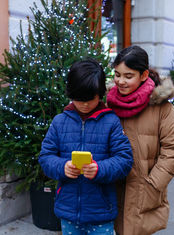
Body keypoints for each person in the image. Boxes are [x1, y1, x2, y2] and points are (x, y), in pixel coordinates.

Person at [39, 59, 133, 235]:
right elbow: (45, 157)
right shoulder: (60, 122)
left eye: (90, 99)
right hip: (68, 211)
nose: (84, 104)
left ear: (100, 93)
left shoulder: (111, 122)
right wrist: (62, 167)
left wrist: (100, 169)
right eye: (78, 99)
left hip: (101, 212)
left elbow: (125, 160)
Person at [106, 45, 174, 235]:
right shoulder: (108, 102)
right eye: (117, 74)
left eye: (128, 76)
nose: (120, 81)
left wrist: (154, 183)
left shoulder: (162, 107)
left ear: (143, 75)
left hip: (143, 190)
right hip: (110, 187)